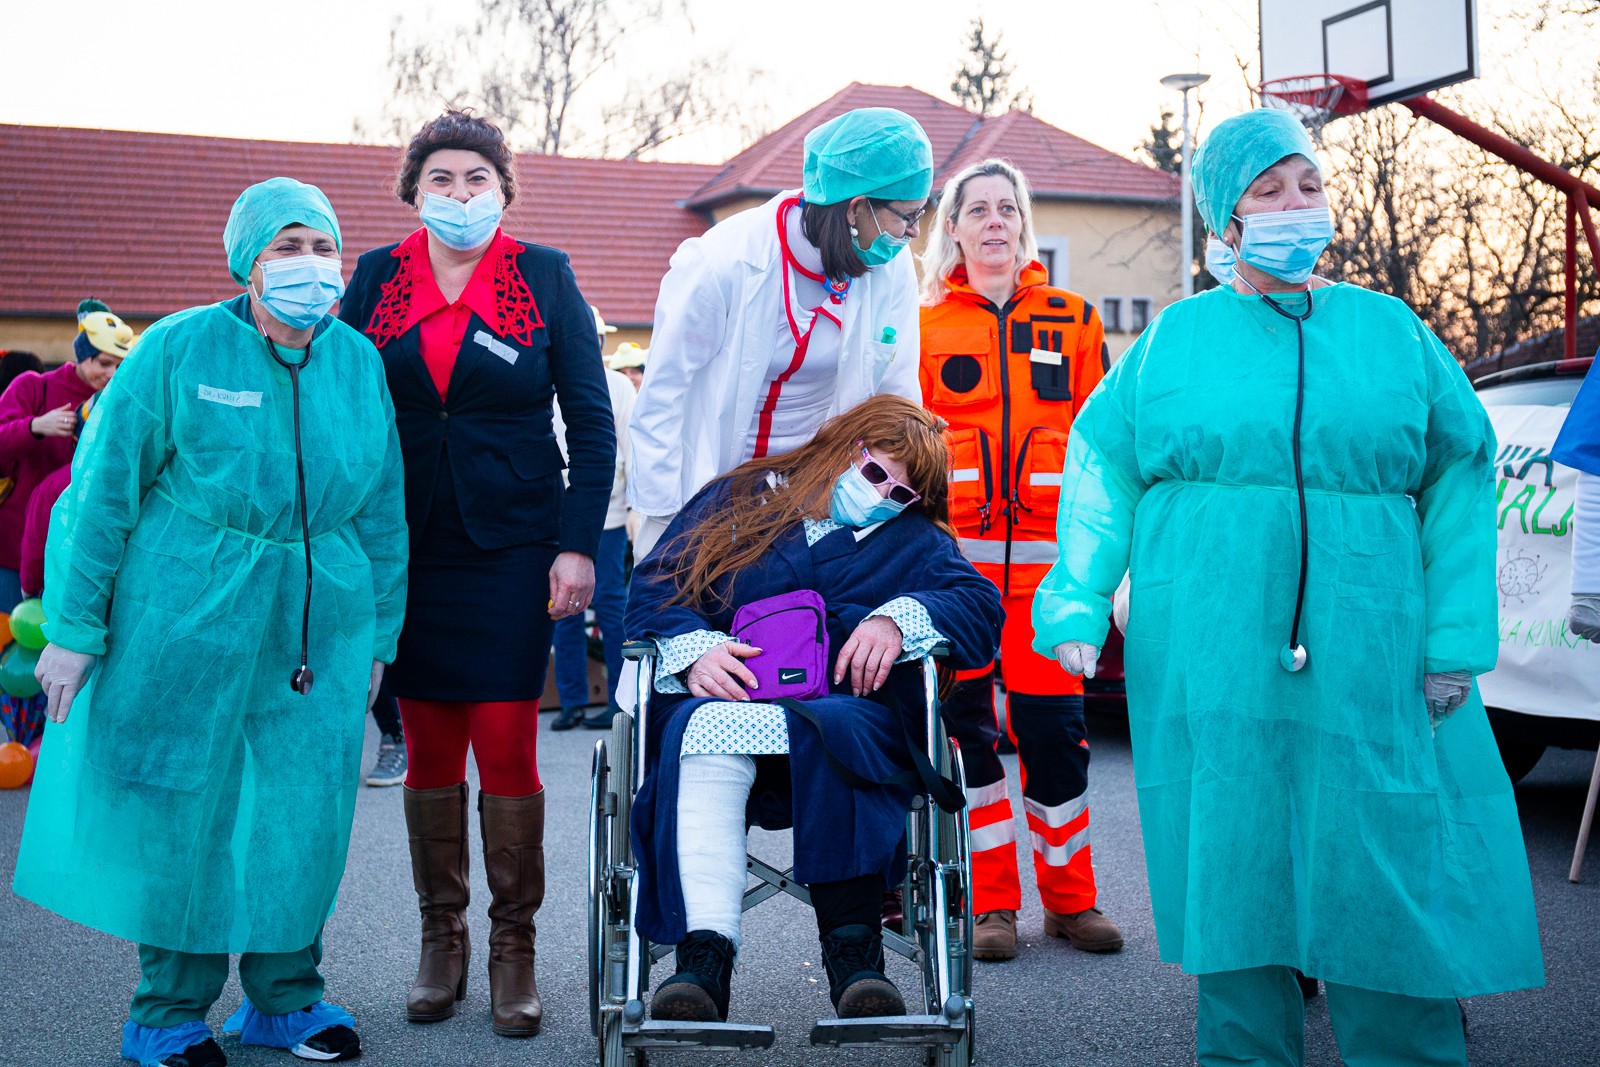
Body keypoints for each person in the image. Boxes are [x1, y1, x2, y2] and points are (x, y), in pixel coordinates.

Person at [1032, 109, 1544, 1066]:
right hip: (1212, 650)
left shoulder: (1390, 333)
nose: (1293, 206)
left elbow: (1463, 469)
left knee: (1380, 868)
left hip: (1369, 653)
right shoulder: (1174, 341)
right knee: (1236, 875)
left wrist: (1454, 639)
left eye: (1306, 185)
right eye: (1266, 192)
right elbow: (1103, 463)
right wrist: (1078, 597)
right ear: (1226, 223)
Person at [13, 177, 407, 1067]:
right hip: (185, 612)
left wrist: (379, 635)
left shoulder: (355, 361)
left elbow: (384, 508)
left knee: (303, 809)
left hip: (319, 620)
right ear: (246, 260)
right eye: (287, 247)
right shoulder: (180, 349)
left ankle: (285, 999)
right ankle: (168, 1011)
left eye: (321, 246)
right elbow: (108, 488)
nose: (310, 266)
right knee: (188, 801)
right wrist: (76, 629)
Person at [339, 108, 615, 1037]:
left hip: (510, 547)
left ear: (503, 189)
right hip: (405, 544)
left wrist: (578, 540)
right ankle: (440, 940)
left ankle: (514, 949)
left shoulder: (543, 275)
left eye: (477, 179)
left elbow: (590, 415)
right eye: (442, 180)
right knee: (425, 751)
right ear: (413, 191)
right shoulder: (376, 277)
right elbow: (337, 395)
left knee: (505, 741)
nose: (459, 194)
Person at [624, 395, 1002, 1023]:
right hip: (732, 691)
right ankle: (703, 957)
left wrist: (898, 619)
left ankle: (856, 960)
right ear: (844, 448)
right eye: (877, 474)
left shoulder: (914, 540)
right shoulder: (741, 497)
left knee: (841, 726)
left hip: (846, 712)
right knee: (702, 727)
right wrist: (695, 651)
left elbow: (979, 605)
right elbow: (657, 583)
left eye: (902, 494)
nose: (883, 496)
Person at [918, 158, 1122, 961]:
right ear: (956, 228)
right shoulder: (925, 323)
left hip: (1049, 584)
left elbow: (1102, 455)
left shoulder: (1074, 320)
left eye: (1009, 208)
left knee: (1055, 736)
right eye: (979, 210)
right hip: (957, 581)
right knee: (970, 739)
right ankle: (992, 904)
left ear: (1023, 224)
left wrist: (1101, 572)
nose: (995, 222)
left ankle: (1071, 902)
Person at [627, 107, 933, 562]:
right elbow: (663, 396)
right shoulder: (723, 263)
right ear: (856, 208)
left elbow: (896, 395)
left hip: (815, 502)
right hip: (706, 492)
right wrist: (671, 521)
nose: (913, 231)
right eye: (905, 216)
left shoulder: (890, 269)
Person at [0, 300, 129, 610]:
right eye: (103, 363)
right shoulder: (33, 387)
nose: (112, 374)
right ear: (82, 357)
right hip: (12, 554)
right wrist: (34, 426)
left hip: (76, 558)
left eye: (119, 365)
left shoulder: (118, 404)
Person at [551, 307, 636, 731]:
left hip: (610, 514)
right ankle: (571, 701)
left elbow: (630, 447)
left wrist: (634, 507)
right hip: (558, 515)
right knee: (559, 608)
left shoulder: (618, 384)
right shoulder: (546, 381)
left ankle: (620, 701)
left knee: (610, 605)